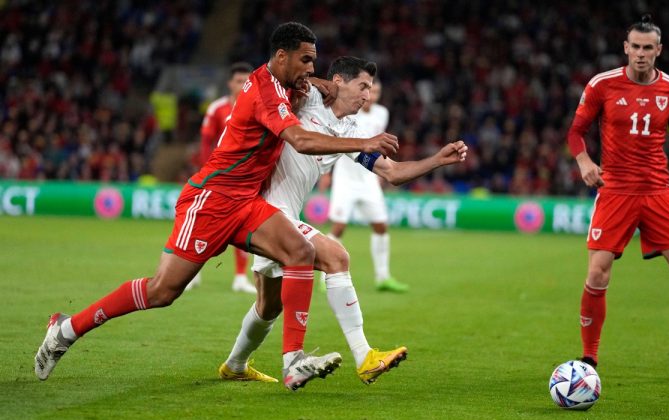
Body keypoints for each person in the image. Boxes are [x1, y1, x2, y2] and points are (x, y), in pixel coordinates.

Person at [34, 22, 400, 391]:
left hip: (246, 201)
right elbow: (301, 141)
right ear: (281, 56)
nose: (310, 69)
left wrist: (322, 82)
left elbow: (315, 87)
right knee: (163, 291)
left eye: (314, 62)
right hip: (212, 199)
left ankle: (293, 361)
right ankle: (66, 328)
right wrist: (365, 142)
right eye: (306, 61)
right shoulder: (264, 93)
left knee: (299, 250)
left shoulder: (288, 84)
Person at [217, 56, 467, 385]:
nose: (368, 95)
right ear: (339, 82)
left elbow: (392, 173)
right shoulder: (305, 99)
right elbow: (284, 78)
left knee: (268, 306)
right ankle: (363, 357)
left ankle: (235, 365)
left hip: (283, 214)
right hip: (262, 209)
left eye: (371, 88)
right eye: (362, 86)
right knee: (337, 257)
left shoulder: (350, 131)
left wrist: (437, 160)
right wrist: (318, 82)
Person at [567, 14, 669, 381]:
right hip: (615, 191)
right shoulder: (602, 85)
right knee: (597, 273)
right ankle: (589, 360)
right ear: (626, 48)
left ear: (658, 50)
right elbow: (576, 131)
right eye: (634, 47)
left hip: (657, 192)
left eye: (647, 48)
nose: (640, 54)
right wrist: (584, 161)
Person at [323, 78, 409, 293]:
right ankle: (326, 274)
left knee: (381, 226)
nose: (372, 95)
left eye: (377, 91)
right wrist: (328, 172)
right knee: (339, 227)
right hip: (345, 178)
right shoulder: (350, 110)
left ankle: (383, 277)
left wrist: (381, 172)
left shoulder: (382, 113)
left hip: (369, 179)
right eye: (369, 90)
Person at [185, 61, 257, 294]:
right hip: (217, 177)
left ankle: (239, 277)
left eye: (247, 81)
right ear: (229, 83)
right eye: (238, 81)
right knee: (205, 225)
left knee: (243, 224)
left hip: (244, 179)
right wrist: (208, 169)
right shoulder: (217, 108)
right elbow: (207, 141)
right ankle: (191, 273)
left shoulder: (257, 107)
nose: (243, 85)